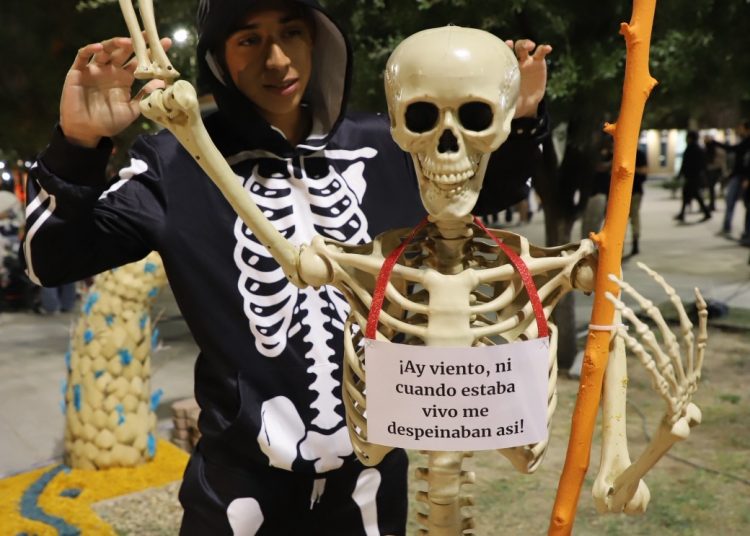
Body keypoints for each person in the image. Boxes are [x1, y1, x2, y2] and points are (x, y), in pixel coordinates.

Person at [22, 0, 550, 533]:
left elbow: (490, 191)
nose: (276, 60)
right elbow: (51, 259)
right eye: (249, 39)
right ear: (218, 57)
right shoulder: (178, 162)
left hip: (370, 480)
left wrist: (522, 118)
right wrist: (78, 145)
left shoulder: (390, 145)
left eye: (292, 32)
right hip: (238, 485)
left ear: (319, 39)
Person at [712, 120, 750, 238]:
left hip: (742, 177)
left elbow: (734, 151)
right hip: (739, 176)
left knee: (743, 203)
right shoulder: (744, 142)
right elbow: (733, 150)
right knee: (733, 201)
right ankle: (731, 228)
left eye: (741, 128)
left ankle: (745, 233)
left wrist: (747, 178)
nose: (739, 130)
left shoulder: (747, 143)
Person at [674, 131, 711, 223]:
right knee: (689, 194)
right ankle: (683, 214)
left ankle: (706, 213)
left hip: (692, 176)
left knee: (692, 194)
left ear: (690, 138)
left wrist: (680, 175)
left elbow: (685, 163)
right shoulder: (699, 149)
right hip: (696, 176)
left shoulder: (691, 148)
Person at [580, 136, 612, 239]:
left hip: (603, 193)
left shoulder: (609, 155)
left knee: (597, 221)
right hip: (594, 193)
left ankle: (592, 241)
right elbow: (599, 167)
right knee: (589, 222)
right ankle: (588, 241)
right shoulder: (593, 154)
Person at [628, 148, 648, 254]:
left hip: (635, 191)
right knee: (622, 221)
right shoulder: (616, 152)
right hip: (624, 193)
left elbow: (644, 172)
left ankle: (635, 242)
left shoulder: (639, 154)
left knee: (634, 217)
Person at [703, 134, 727, 212]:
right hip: (710, 170)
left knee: (712, 187)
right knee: (711, 188)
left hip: (716, 170)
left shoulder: (716, 148)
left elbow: (721, 159)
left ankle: (712, 204)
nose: (705, 141)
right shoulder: (707, 148)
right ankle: (712, 204)